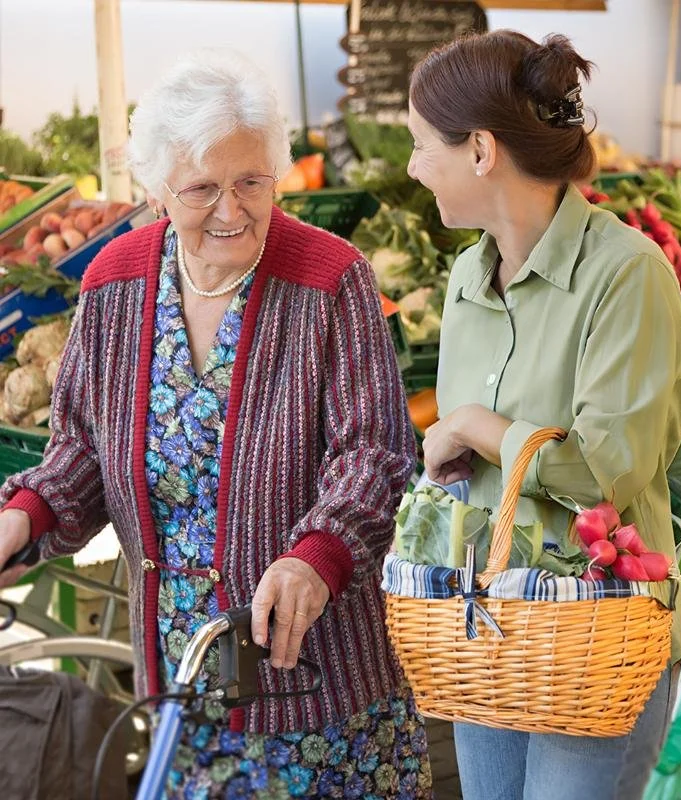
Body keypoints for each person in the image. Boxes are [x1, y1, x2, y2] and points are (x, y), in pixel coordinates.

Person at [0, 49, 433, 799]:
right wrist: (26, 514)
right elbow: (80, 448)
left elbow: (374, 453)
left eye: (252, 183)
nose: (232, 211)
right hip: (182, 687)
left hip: (320, 697)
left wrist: (317, 555)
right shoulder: (114, 282)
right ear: (157, 188)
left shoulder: (329, 279)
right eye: (203, 188)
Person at [406, 30, 681, 800]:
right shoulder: (467, 276)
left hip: (594, 639)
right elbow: (473, 483)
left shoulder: (627, 275)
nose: (410, 167)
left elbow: (604, 472)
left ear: (478, 151)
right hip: (490, 627)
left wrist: (469, 424)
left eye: (418, 145)